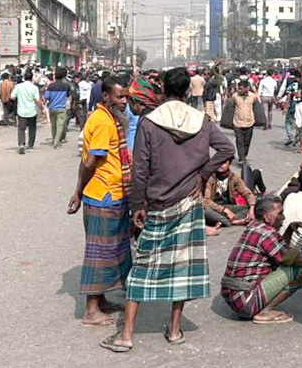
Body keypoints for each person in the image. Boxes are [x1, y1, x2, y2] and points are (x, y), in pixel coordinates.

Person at [100, 68, 236, 353]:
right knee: (183, 267)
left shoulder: (150, 122)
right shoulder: (201, 120)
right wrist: (202, 174)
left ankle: (126, 334)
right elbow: (226, 149)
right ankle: (174, 329)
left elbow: (140, 169)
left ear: (162, 89)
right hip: (188, 201)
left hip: (157, 201)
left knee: (142, 267)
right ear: (187, 91)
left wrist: (136, 205)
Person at [66, 76, 132, 327]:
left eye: (126, 97)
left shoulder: (107, 117)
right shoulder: (103, 121)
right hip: (103, 196)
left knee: (112, 250)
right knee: (100, 253)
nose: (124, 101)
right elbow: (90, 163)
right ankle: (91, 310)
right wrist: (78, 192)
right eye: (119, 96)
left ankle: (101, 299)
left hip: (111, 194)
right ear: (106, 96)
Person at [220, 194, 302, 323]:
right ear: (266, 217)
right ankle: (264, 312)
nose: (283, 217)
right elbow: (290, 258)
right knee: (297, 270)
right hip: (246, 301)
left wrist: (289, 231)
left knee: (289, 263)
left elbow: (280, 251)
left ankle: (259, 307)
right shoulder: (265, 233)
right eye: (280, 213)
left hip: (235, 298)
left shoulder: (254, 227)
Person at [204, 159, 255, 234]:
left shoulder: (234, 177)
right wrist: (225, 210)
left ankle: (223, 221)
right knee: (205, 210)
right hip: (213, 208)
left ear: (229, 164)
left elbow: (247, 193)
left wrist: (252, 208)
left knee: (251, 208)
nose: (220, 165)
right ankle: (232, 221)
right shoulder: (210, 177)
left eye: (224, 163)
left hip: (226, 206)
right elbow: (206, 201)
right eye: (218, 163)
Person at [11, 70, 42, 155]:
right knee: (32, 129)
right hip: (32, 111)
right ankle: (30, 145)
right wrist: (42, 108)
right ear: (32, 78)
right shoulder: (34, 88)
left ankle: (21, 144)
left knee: (21, 129)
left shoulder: (18, 86)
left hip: (21, 111)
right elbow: (37, 100)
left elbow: (12, 96)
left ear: (24, 78)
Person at [230, 79, 258, 164]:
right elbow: (231, 106)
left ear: (246, 88)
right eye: (239, 88)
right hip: (238, 123)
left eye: (241, 88)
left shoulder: (252, 96)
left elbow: (255, 106)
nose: (239, 90)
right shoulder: (235, 96)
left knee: (247, 142)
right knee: (239, 141)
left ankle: (244, 155)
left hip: (249, 122)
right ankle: (241, 158)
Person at [44, 67, 71, 149]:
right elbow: (67, 96)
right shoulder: (67, 86)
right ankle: (56, 142)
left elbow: (47, 97)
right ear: (64, 76)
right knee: (60, 125)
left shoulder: (50, 86)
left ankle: (54, 139)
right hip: (62, 108)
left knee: (53, 125)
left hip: (52, 108)